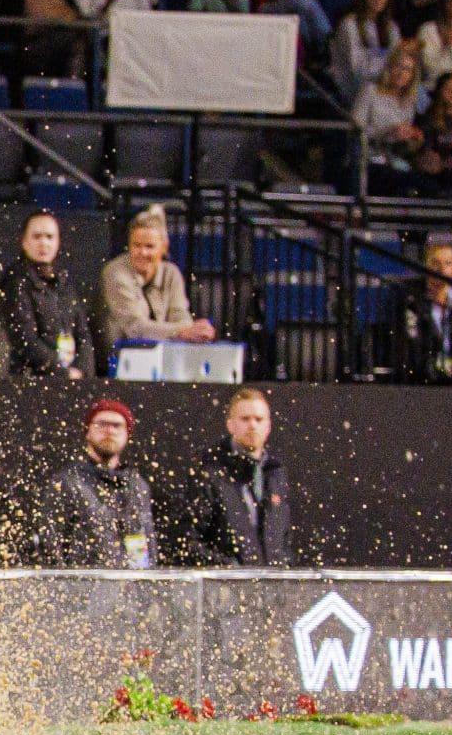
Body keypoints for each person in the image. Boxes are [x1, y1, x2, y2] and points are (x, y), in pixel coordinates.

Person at [35, 396, 158, 568]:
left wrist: (140, 584)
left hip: (127, 590)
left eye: (117, 425)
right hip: (82, 589)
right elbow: (49, 545)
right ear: (87, 431)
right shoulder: (67, 482)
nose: (109, 430)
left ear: (128, 434)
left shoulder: (137, 486)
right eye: (101, 424)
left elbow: (144, 547)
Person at [177, 385, 291, 565]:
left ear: (268, 426)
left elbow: (283, 541)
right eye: (245, 419)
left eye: (259, 419)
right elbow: (188, 542)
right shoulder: (210, 472)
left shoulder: (275, 474)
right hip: (227, 588)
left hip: (271, 587)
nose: (252, 425)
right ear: (230, 424)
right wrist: (230, 570)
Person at [98, 203, 217, 349]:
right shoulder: (115, 273)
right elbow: (135, 328)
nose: (142, 253)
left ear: (164, 247)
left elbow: (181, 317)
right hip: (121, 358)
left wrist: (193, 331)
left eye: (149, 246)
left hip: (164, 355)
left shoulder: (171, 273)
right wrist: (181, 331)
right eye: (136, 245)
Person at [0, 209, 98, 379]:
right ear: (23, 241)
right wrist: (62, 372)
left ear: (58, 242)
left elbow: (83, 334)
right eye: (37, 236)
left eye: (50, 237)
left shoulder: (64, 282)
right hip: (31, 380)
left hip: (74, 379)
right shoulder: (15, 281)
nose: (44, 243)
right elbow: (25, 338)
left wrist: (81, 370)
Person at [396, 240, 452, 382]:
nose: (441, 269)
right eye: (436, 263)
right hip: (425, 377)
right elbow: (413, 343)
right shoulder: (413, 301)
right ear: (426, 267)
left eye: (448, 263)